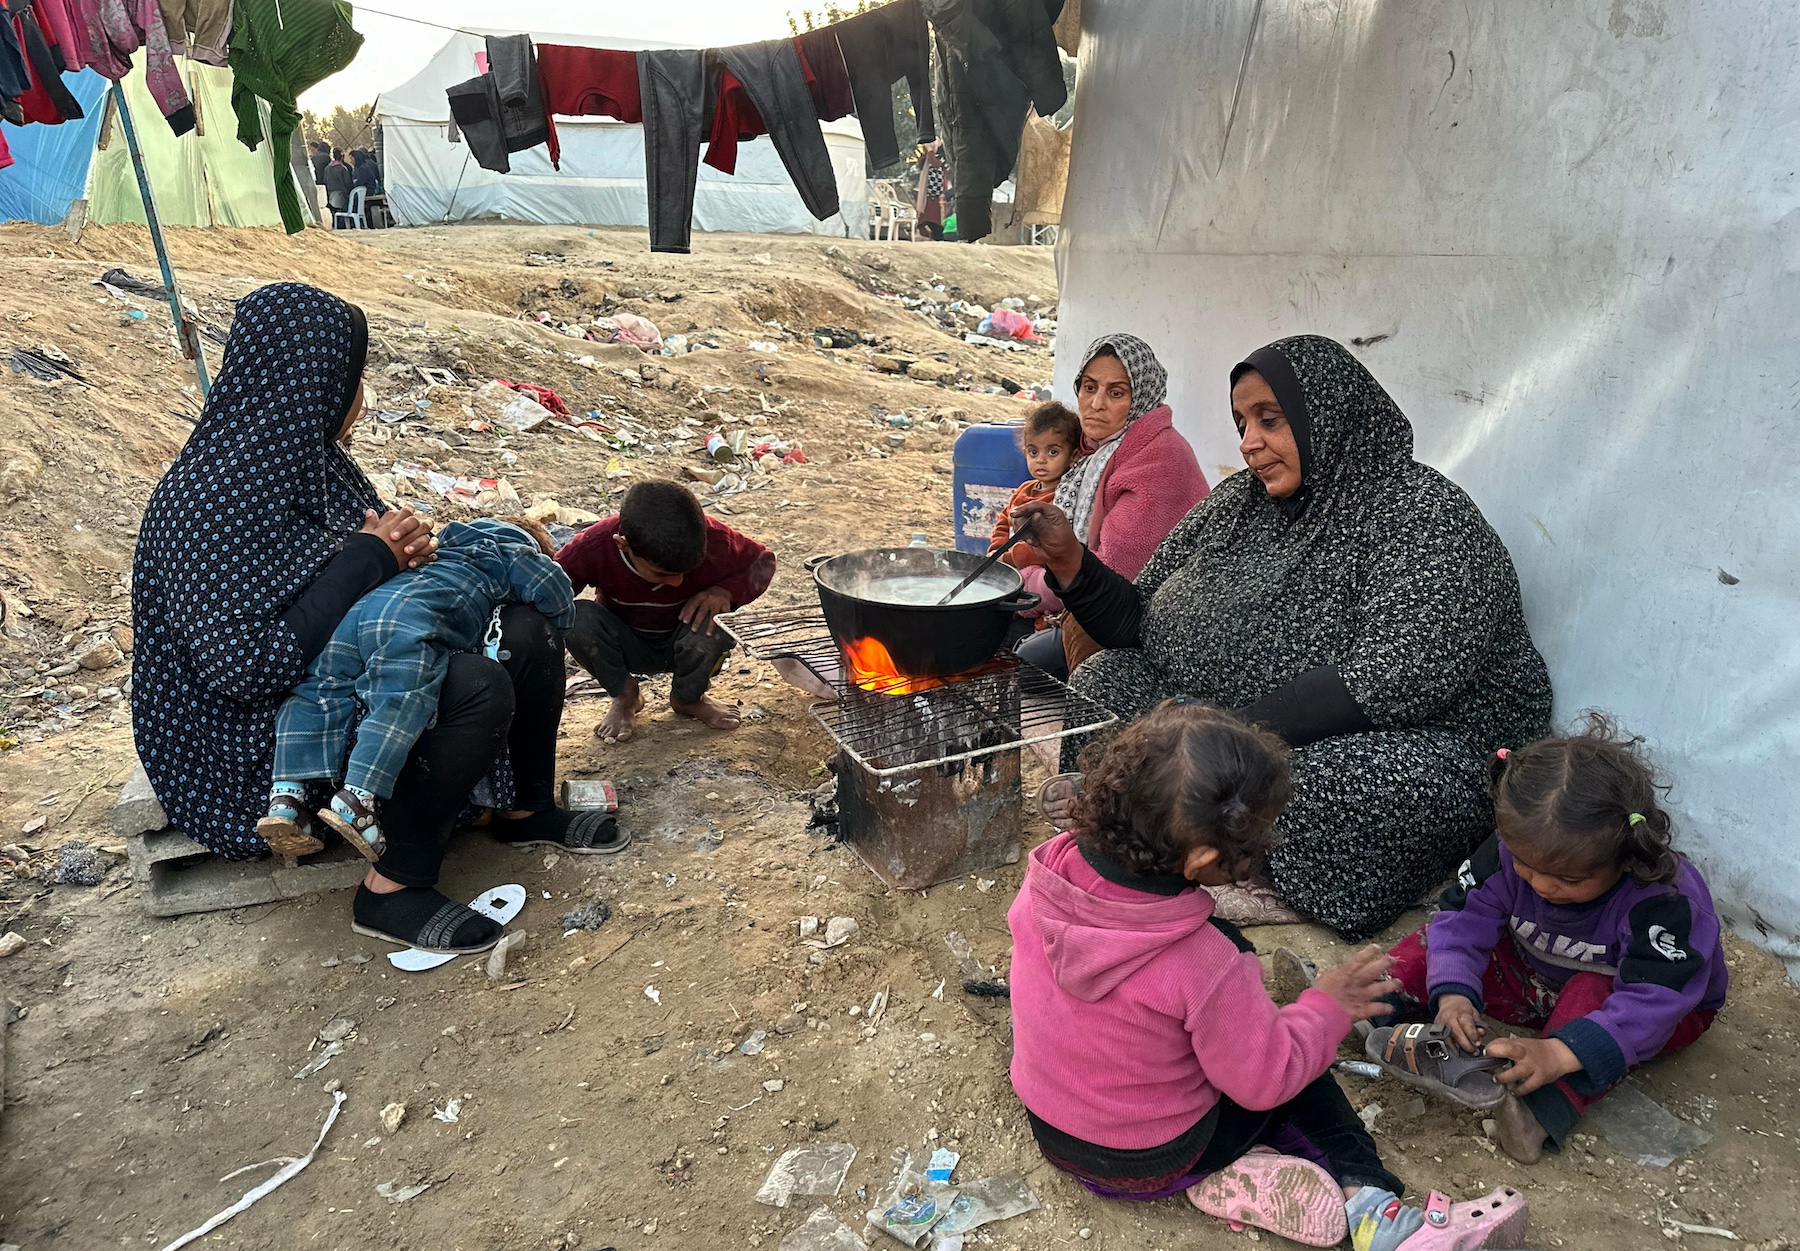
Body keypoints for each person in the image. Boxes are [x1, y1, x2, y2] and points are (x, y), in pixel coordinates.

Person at [1018, 335, 1553, 938]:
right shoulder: (1238, 504)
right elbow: (1135, 618)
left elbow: (1391, 681)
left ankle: (1205, 835)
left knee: (1321, 791)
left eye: (1269, 421)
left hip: (1398, 742)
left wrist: (1218, 741)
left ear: (1322, 412)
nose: (1248, 443)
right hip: (1229, 721)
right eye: (1242, 421)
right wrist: (1068, 561)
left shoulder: (1423, 517)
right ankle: (1187, 822)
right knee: (1103, 680)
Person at [132, 283, 609, 958]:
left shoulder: (313, 461)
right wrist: (367, 559)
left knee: (527, 626)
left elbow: (380, 550)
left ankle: (524, 809)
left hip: (345, 659)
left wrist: (405, 550)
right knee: (475, 686)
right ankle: (391, 888)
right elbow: (245, 669)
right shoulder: (206, 500)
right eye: (352, 379)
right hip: (252, 737)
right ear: (307, 383)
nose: (360, 395)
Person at [1008, 701, 1426, 1250]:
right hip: (1153, 1159)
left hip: (1055, 1133)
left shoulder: (1045, 878)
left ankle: (1241, 1171)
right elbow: (1264, 1081)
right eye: (1257, 844)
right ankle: (1368, 1196)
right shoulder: (1209, 958)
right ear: (1204, 863)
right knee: (1301, 1066)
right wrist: (1327, 1006)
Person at [1373, 714, 1728, 1165]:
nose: (1541, 885)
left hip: (1651, 1005)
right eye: (1526, 865)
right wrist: (1454, 996)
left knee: (1591, 993)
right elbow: (1465, 919)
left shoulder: (1664, 898)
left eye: (1567, 879)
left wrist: (1560, 1053)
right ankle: (1378, 1003)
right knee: (1439, 937)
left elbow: (1657, 999)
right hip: (1536, 972)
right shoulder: (1514, 851)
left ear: (1623, 857)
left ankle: (1539, 1110)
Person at [263, 517, 578, 864]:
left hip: (361, 612)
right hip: (411, 619)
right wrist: (559, 624)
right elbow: (552, 585)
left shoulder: (444, 543)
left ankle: (287, 799)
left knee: (318, 690)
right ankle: (357, 798)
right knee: (399, 701)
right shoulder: (509, 550)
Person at [1014, 334, 1208, 680]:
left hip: (1145, 628)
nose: (1096, 404)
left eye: (1116, 393)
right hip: (1089, 602)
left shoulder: (1160, 458)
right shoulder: (1095, 451)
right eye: (1089, 388)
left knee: (1020, 663)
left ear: (1141, 397)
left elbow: (1113, 576)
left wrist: (1024, 584)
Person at [557, 480, 775, 742]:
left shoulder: (716, 537)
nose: (677, 583)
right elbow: (550, 586)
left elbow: (763, 560)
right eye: (663, 574)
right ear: (622, 545)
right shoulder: (595, 545)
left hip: (687, 639)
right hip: (625, 644)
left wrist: (725, 592)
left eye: (686, 571)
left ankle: (688, 698)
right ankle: (626, 696)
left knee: (717, 622)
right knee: (575, 617)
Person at [988, 400, 1079, 638]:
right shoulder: (1024, 490)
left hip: (1040, 582)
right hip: (1010, 571)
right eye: (1033, 451)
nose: (1041, 460)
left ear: (1073, 455)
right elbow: (1003, 522)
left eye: (1053, 452)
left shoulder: (1064, 497)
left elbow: (1045, 546)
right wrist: (996, 551)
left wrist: (1008, 558)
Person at [914, 140, 951, 240]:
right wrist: (927, 152)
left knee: (936, 219)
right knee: (926, 219)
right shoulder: (927, 157)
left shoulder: (942, 156)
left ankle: (940, 238)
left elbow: (936, 164)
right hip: (927, 195)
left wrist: (931, 150)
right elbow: (921, 164)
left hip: (937, 195)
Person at [324, 147, 354, 224]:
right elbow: (348, 184)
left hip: (330, 196)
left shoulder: (327, 168)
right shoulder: (343, 168)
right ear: (342, 156)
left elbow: (325, 182)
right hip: (341, 196)